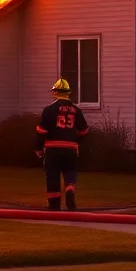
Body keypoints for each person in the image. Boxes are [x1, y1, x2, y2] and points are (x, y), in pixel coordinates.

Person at [35, 78, 89, 210]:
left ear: (55, 92)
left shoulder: (49, 110)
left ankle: (54, 205)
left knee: (52, 175)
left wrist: (38, 148)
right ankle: (69, 188)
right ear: (68, 93)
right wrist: (75, 142)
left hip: (52, 149)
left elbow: (41, 131)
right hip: (71, 148)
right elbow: (84, 131)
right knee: (70, 171)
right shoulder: (76, 110)